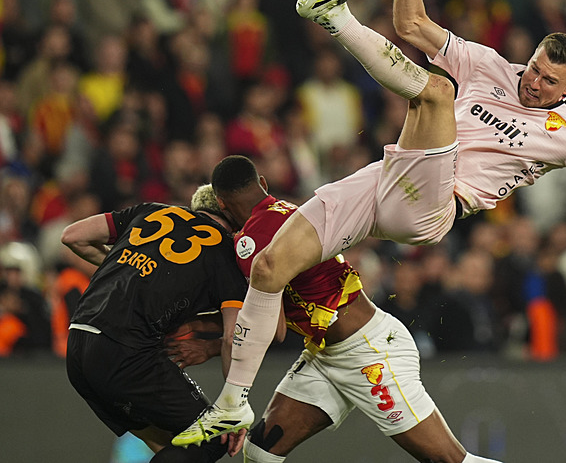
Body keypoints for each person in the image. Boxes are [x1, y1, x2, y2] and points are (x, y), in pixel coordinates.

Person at [175, 0, 566, 444]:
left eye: (548, 81)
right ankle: (231, 402)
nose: (532, 82)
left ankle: (334, 15)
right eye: (534, 68)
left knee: (436, 93)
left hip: (435, 207)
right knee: (272, 265)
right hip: (390, 176)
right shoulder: (491, 66)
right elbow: (411, 26)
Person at [174, 155, 501, 462]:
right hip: (325, 355)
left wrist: (211, 345)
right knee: (260, 451)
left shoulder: (248, 245)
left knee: (449, 459)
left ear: (221, 203)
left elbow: (273, 328)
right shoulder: (294, 212)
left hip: (370, 353)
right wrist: (211, 331)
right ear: (262, 182)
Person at [61, 192, 250, 462]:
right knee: (215, 435)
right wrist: (233, 407)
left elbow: (73, 236)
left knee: (170, 445)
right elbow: (234, 335)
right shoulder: (225, 250)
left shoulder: (151, 210)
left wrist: (127, 269)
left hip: (77, 342)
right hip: (125, 350)